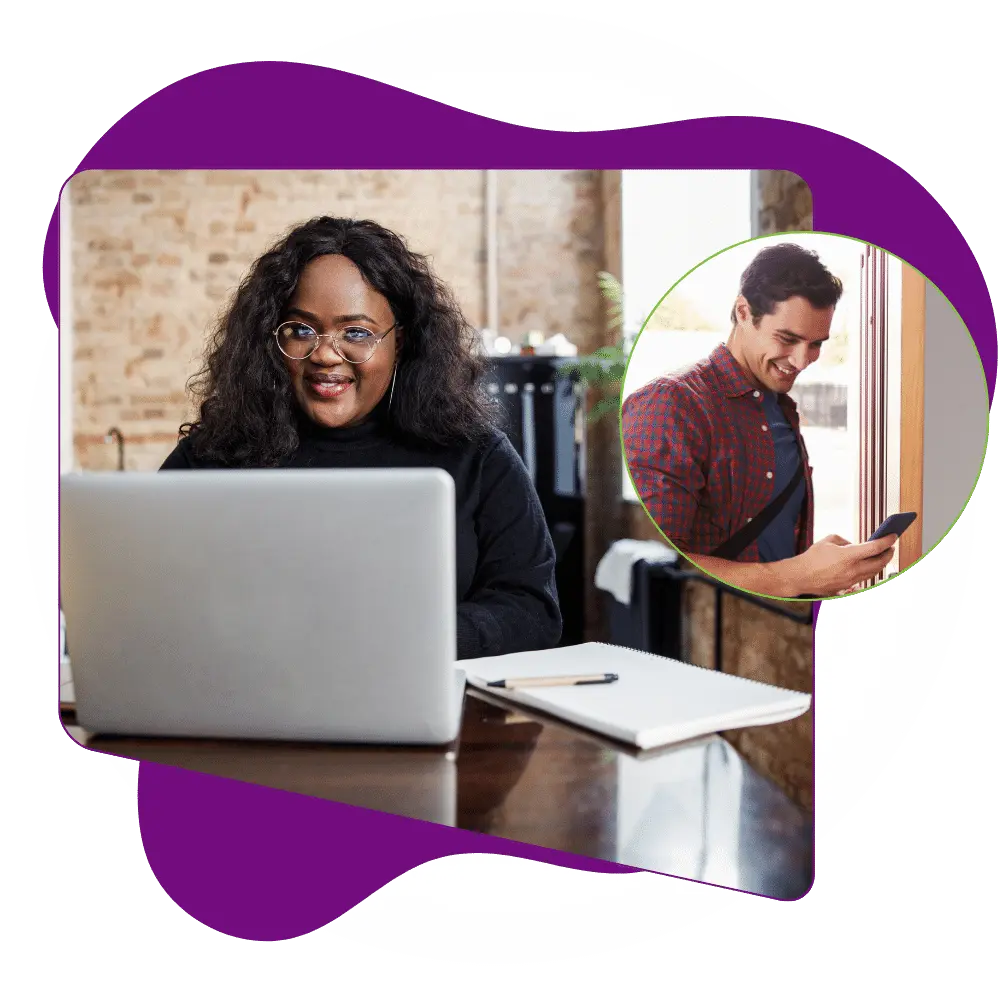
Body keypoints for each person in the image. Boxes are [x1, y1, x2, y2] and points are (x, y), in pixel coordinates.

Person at [162, 216, 562, 658]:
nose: (326, 355)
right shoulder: (212, 456)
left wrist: (406, 639)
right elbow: (146, 594)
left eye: (357, 333)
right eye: (300, 330)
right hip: (243, 705)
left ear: (401, 343)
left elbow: (531, 611)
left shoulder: (477, 457)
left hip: (427, 708)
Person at [622, 242, 896, 598]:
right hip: (716, 634)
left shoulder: (781, 406)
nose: (801, 361)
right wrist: (796, 576)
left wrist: (815, 566)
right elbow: (661, 564)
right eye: (787, 339)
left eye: (815, 344)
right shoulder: (671, 404)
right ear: (743, 312)